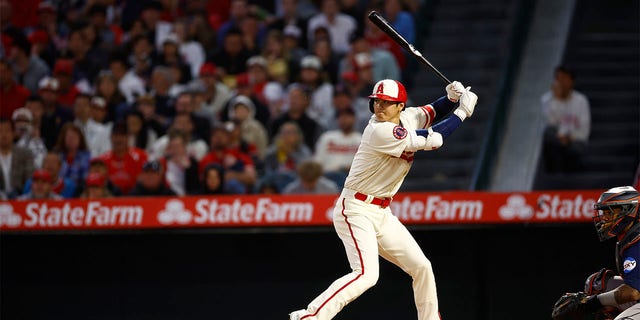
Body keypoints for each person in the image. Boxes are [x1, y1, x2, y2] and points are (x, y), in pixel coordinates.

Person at [289, 79, 478, 320]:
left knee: (422, 267)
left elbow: (430, 112)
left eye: (386, 102)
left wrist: (450, 99)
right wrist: (462, 112)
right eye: (377, 101)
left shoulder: (407, 117)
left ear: (400, 106)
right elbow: (435, 138)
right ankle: (310, 317)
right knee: (367, 274)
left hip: (382, 212)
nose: (379, 106)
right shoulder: (378, 130)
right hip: (356, 208)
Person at [553, 186, 640, 319]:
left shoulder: (636, 240)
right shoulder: (629, 235)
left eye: (610, 212)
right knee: (597, 283)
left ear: (629, 210)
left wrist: (591, 302)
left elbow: (633, 293)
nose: (605, 218)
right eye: (604, 213)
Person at [541, 66, 591, 173]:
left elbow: (584, 131)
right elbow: (551, 123)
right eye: (558, 79)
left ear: (572, 81)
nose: (561, 83)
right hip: (556, 139)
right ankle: (554, 179)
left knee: (575, 148)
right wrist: (557, 101)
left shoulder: (581, 101)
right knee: (549, 135)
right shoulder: (547, 100)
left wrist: (568, 138)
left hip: (574, 141)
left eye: (564, 79)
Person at [0, 118, 35, 199]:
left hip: (21, 198)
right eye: (0, 131)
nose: (3, 135)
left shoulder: (25, 154)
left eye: (7, 131)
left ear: (14, 133)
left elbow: (30, 179)